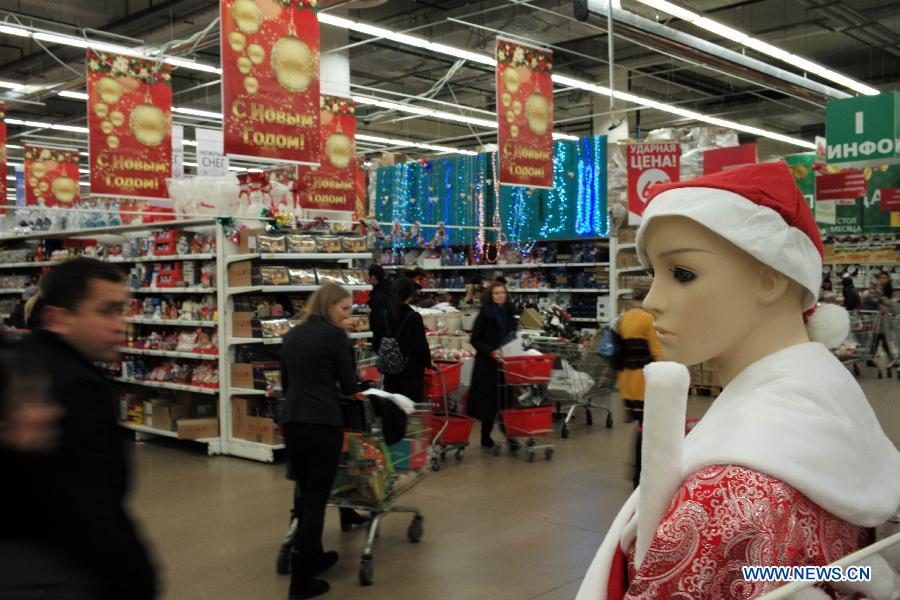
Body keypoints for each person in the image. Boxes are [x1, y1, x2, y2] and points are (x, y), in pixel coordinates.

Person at [579, 162, 900, 599]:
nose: (652, 301)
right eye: (653, 273)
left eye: (682, 273)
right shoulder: (837, 413)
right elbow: (834, 570)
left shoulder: (725, 497)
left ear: (768, 278)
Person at [1, 258, 158, 600]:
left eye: (122, 311)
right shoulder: (76, 386)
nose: (121, 325)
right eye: (107, 311)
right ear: (59, 318)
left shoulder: (32, 360)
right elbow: (90, 509)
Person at [280, 282, 358, 599]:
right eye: (345, 309)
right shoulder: (335, 336)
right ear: (329, 306)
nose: (348, 315)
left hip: (293, 422)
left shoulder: (292, 334)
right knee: (316, 502)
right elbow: (349, 384)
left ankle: (313, 557)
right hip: (323, 423)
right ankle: (301, 582)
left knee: (302, 495)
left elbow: (286, 383)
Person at [614, 283, 661, 489]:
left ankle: (636, 473)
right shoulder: (648, 319)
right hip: (643, 380)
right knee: (648, 427)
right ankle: (640, 476)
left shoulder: (624, 318)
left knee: (641, 425)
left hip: (627, 379)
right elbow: (656, 351)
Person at [466, 280, 519, 449]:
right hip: (488, 364)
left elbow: (515, 334)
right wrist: (490, 351)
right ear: (490, 295)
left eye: (502, 293)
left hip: (507, 362)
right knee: (489, 403)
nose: (500, 296)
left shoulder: (511, 312)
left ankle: (510, 436)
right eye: (496, 293)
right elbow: (475, 339)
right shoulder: (485, 314)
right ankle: (485, 436)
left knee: (506, 402)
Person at [382, 278, 432, 403]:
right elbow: (421, 346)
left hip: (390, 373)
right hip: (410, 374)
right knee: (410, 414)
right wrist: (428, 362)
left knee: (392, 410)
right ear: (410, 295)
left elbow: (377, 340)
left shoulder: (385, 314)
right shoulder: (414, 317)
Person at [366, 264, 392, 351]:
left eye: (367, 276)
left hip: (380, 340)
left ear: (373, 277)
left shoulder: (377, 297)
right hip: (391, 337)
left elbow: (376, 322)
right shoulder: (389, 291)